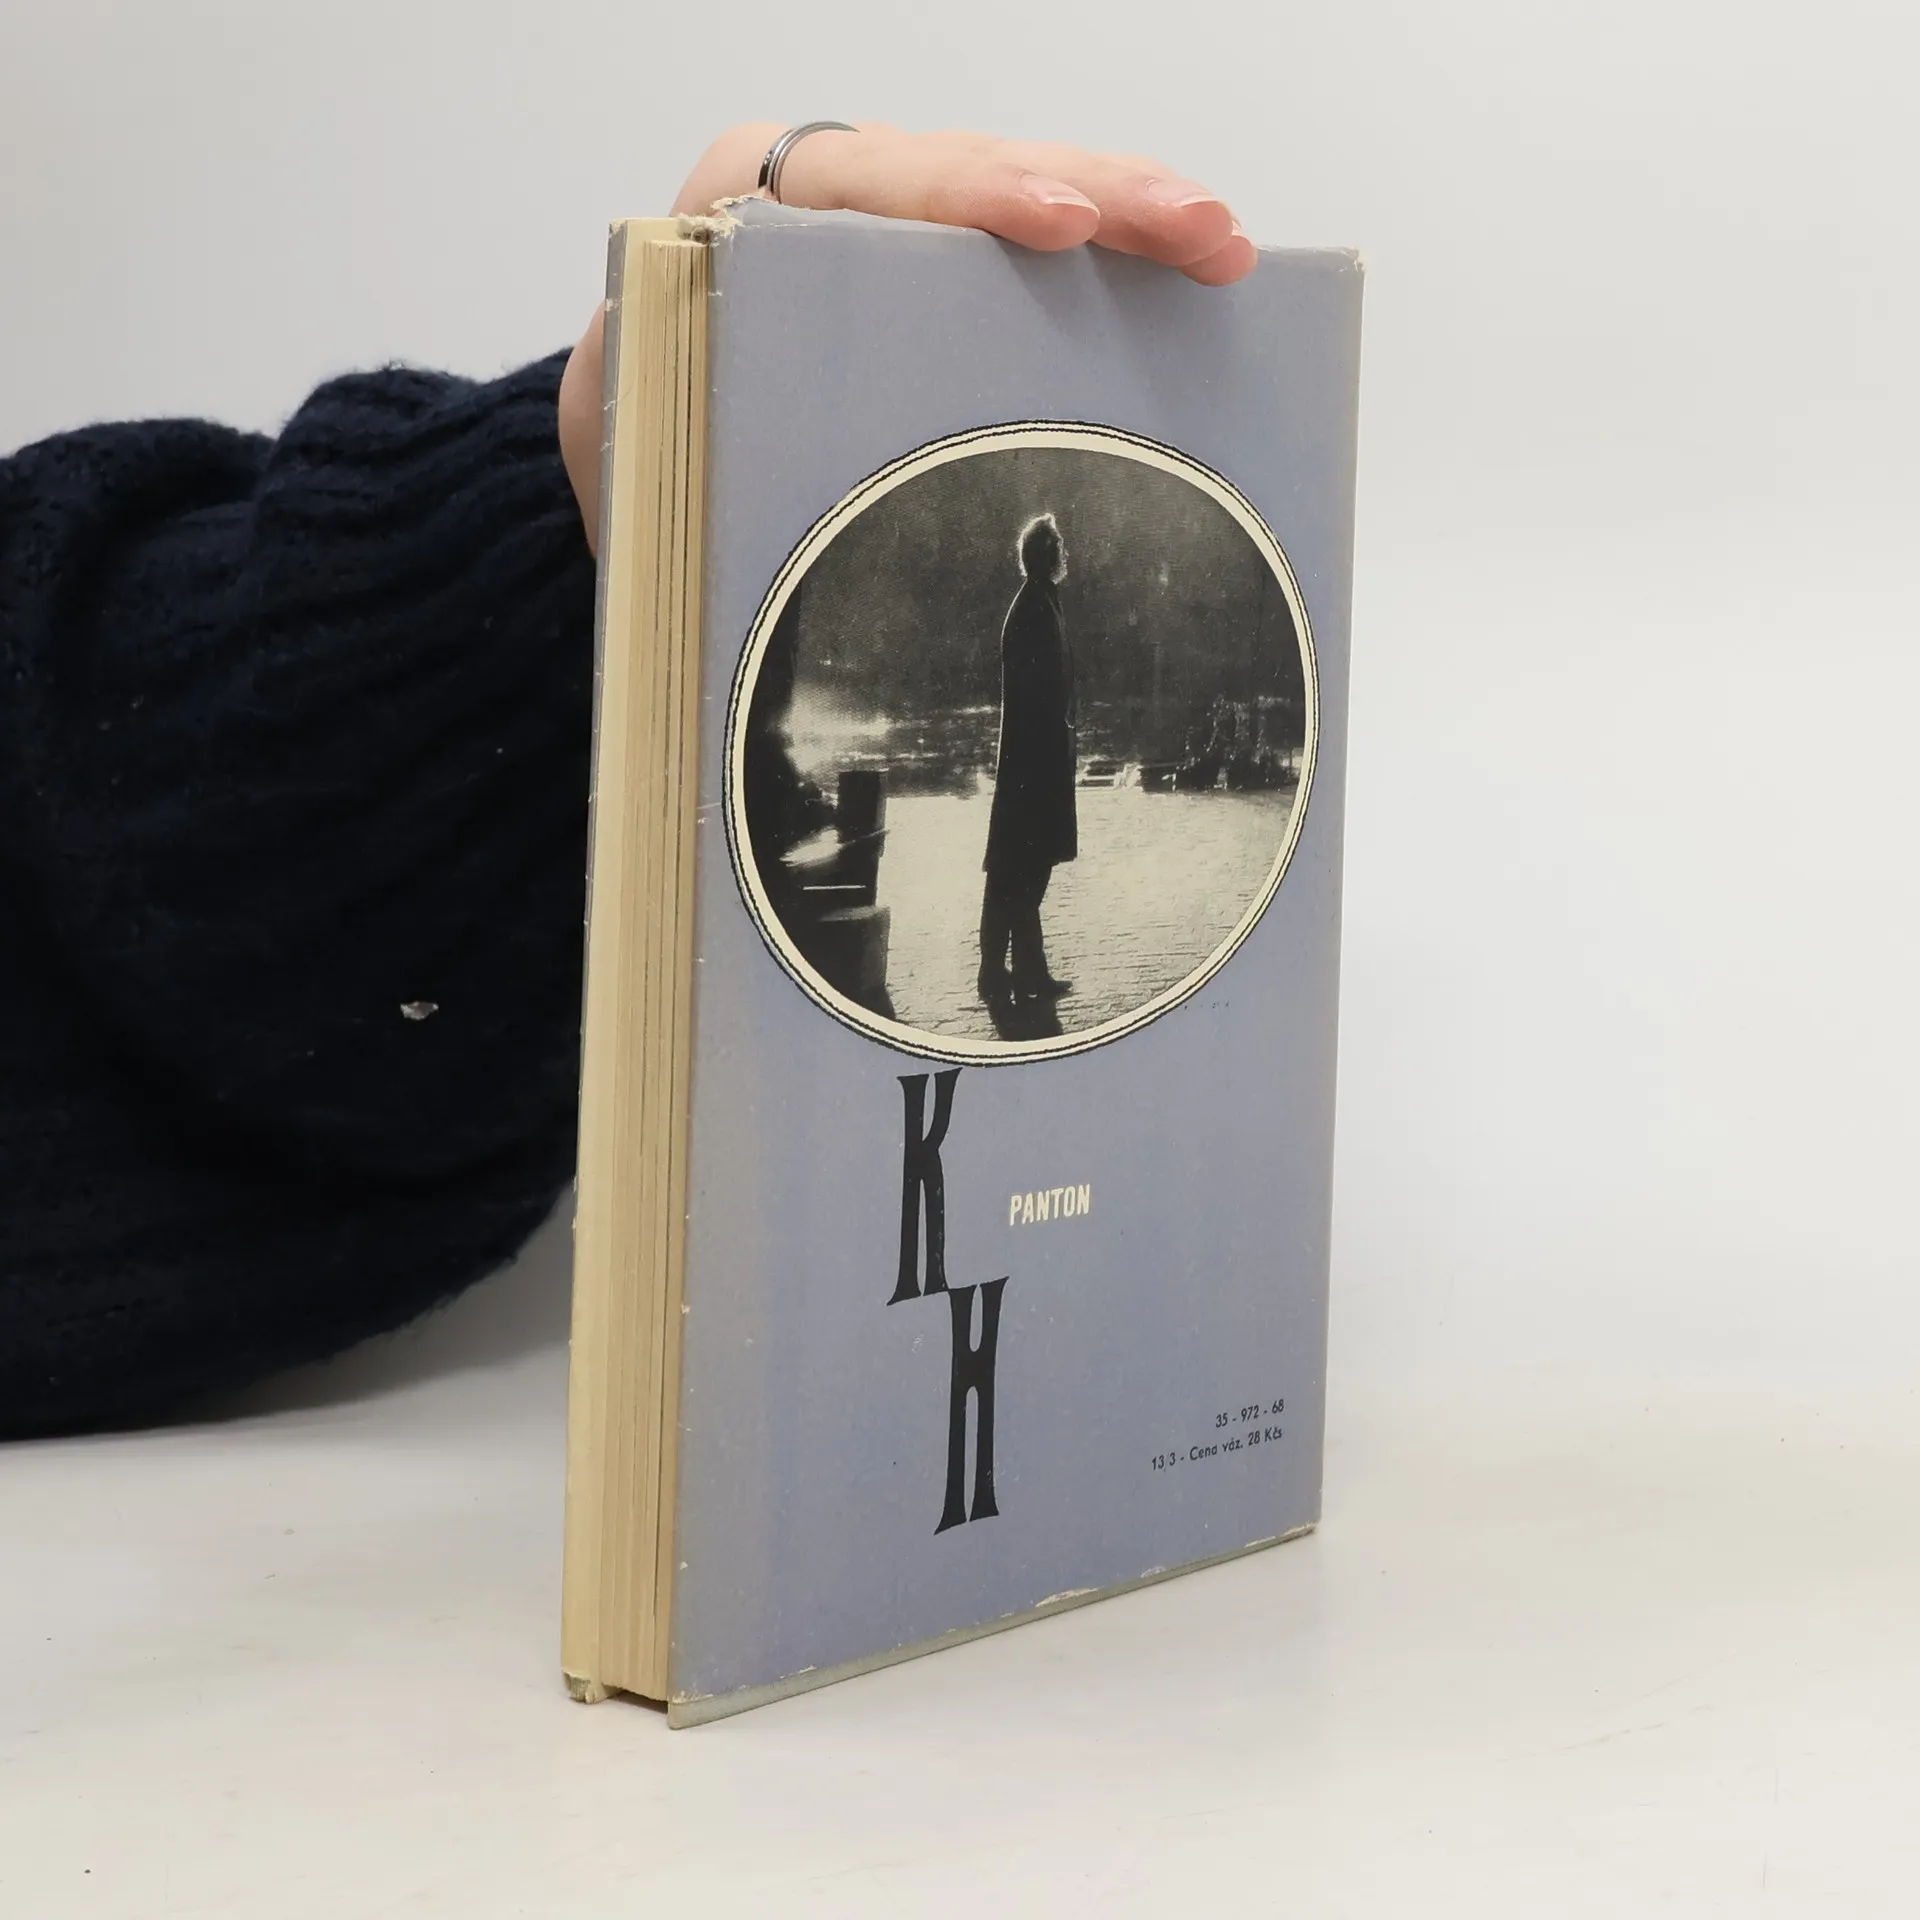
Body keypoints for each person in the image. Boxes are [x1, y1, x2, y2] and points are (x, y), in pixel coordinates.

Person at [0, 123, 1253, 1438]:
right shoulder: (1025, 620)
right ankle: (1011, 973)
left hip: (353, 843)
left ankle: (1019, 972)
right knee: (1010, 884)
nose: (1055, 566)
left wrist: (542, 566)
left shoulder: (1037, 617)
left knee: (1022, 881)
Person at [979, 513, 1077, 1003]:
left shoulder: (1038, 602)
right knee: (1022, 871)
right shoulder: (1036, 608)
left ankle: (1015, 973)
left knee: (1018, 869)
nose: (1066, 554)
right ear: (1048, 555)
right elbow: (1040, 695)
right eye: (1060, 546)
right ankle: (1008, 974)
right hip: (1034, 765)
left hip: (1033, 761)